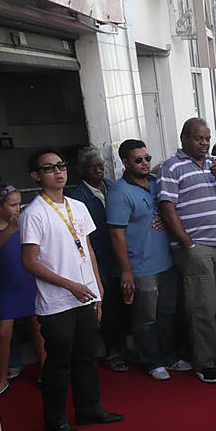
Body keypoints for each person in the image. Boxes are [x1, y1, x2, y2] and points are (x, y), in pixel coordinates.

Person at [20, 148, 123, 431]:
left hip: (86, 295)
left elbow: (87, 249)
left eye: (61, 166)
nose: (58, 172)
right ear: (36, 176)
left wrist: (97, 288)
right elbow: (29, 262)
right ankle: (55, 420)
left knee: (87, 357)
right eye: (49, 168)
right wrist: (70, 285)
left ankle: (89, 408)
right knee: (58, 364)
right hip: (57, 303)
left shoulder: (78, 206)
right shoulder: (34, 213)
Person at [158, 117, 216, 384]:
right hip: (195, 247)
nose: (204, 143)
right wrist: (187, 244)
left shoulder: (214, 165)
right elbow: (167, 208)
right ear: (184, 138)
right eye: (198, 138)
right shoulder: (171, 167)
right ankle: (203, 362)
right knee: (202, 308)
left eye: (207, 139)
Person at [106, 139, 179, 381]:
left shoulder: (156, 183)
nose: (145, 163)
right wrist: (126, 271)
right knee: (145, 319)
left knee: (167, 313)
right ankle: (152, 362)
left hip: (166, 262)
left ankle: (169, 357)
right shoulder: (119, 193)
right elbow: (116, 235)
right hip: (141, 267)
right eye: (138, 160)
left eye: (147, 158)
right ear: (125, 162)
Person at [0, 185, 45, 395]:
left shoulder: (26, 223)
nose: (18, 208)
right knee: (2, 333)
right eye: (13, 205)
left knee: (38, 327)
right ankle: (1, 378)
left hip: (28, 281)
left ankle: (47, 372)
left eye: (20, 204)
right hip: (4, 287)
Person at [72, 148, 127, 373]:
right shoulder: (77, 199)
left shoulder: (114, 188)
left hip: (121, 258)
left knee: (125, 306)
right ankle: (112, 351)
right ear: (81, 170)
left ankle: (125, 347)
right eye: (92, 166)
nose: (98, 170)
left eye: (100, 165)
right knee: (107, 310)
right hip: (99, 259)